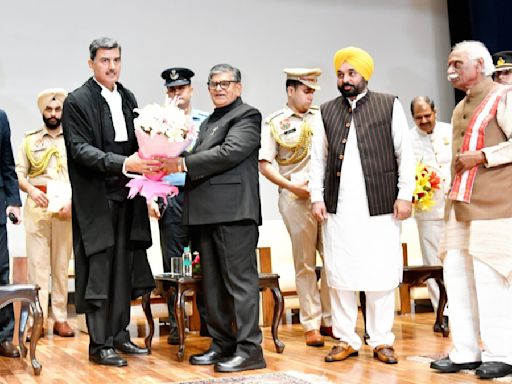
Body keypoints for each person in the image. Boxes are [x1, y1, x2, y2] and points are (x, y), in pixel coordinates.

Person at [310, 47, 415, 365]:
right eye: (340, 74)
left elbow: (404, 153)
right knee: (340, 274)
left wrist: (405, 194)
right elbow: (318, 159)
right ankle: (346, 339)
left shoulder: (388, 104)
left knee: (380, 273)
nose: (345, 80)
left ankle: (382, 340)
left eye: (351, 73)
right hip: (338, 208)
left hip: (382, 204)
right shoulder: (326, 111)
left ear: (365, 74)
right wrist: (317, 196)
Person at [160, 64, 265, 373]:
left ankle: (250, 349)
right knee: (213, 286)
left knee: (239, 283)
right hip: (205, 213)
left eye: (226, 83)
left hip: (234, 213)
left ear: (238, 87)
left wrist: (181, 163)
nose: (219, 88)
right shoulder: (209, 123)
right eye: (214, 84)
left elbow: (229, 153)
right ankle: (223, 343)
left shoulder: (247, 116)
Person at [62, 37, 159, 367]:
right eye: (105, 60)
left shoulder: (128, 96)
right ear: (91, 64)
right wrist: (122, 164)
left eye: (116, 60)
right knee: (99, 271)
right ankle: (99, 343)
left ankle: (119, 334)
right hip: (97, 199)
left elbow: (140, 140)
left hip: (128, 197)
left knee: (125, 268)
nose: (112, 66)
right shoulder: (77, 101)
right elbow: (79, 149)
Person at [430, 40, 512, 379]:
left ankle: (503, 352)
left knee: (491, 279)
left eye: (457, 63)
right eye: (449, 63)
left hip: (495, 204)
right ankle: (465, 352)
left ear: (480, 65)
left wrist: (484, 156)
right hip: (459, 203)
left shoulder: (504, 96)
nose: (450, 69)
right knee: (457, 275)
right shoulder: (460, 106)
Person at [259, 68, 333, 347]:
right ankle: (311, 324)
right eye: (306, 90)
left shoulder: (323, 117)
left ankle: (330, 319)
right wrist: (290, 187)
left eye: (313, 91)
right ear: (290, 91)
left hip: (325, 198)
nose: (310, 96)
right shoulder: (275, 122)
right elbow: (265, 164)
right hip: (295, 198)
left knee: (333, 260)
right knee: (305, 263)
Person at [147, 67, 209, 344]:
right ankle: (176, 325)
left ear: (191, 90)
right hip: (170, 196)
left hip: (199, 194)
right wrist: (151, 196)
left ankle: (208, 322)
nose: (176, 94)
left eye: (181, 89)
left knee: (204, 259)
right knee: (173, 264)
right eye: (171, 90)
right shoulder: (156, 124)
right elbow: (150, 162)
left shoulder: (205, 122)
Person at [15, 88, 74, 338]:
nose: (52, 113)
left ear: (63, 111)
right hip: (38, 210)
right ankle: (36, 321)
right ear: (42, 112)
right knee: (37, 268)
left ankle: (60, 318)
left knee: (61, 266)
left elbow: (82, 176)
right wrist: (30, 190)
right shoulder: (30, 140)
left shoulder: (73, 139)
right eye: (48, 110)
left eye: (57, 109)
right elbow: (17, 173)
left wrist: (74, 203)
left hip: (65, 210)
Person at [409, 96, 451, 330]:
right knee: (434, 264)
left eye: (428, 115)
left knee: (457, 261)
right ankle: (441, 313)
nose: (424, 121)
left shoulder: (450, 131)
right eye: (418, 117)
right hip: (428, 211)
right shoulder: (408, 139)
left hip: (455, 207)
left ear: (435, 111)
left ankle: (462, 310)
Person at [0, 109, 22, 358]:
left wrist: (14, 201)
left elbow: (7, 164)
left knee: (0, 274)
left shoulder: (1, 117)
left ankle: (4, 336)